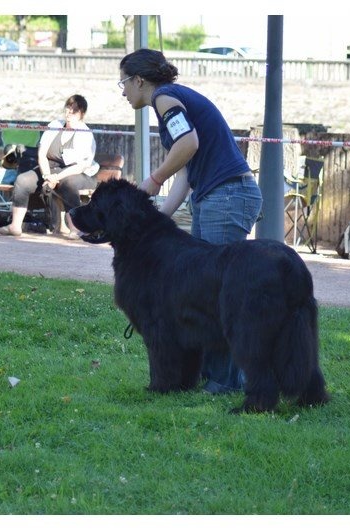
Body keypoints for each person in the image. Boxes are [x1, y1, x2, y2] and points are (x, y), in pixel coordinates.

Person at [118, 48, 263, 394]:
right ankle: (209, 376)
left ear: (140, 80)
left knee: (216, 293)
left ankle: (226, 381)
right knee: (202, 289)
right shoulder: (172, 100)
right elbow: (187, 170)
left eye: (123, 83)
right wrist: (154, 219)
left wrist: (152, 180)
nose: (122, 91)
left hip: (226, 197)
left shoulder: (166, 97)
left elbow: (188, 143)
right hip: (216, 195)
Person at [0, 94, 99, 238]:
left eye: (74, 110)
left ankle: (75, 228)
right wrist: (46, 175)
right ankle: (15, 226)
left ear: (82, 114)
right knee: (22, 181)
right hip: (49, 170)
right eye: (68, 109)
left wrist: (57, 177)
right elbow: (42, 154)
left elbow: (81, 166)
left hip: (77, 173)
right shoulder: (54, 125)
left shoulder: (85, 133)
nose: (69, 113)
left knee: (68, 184)